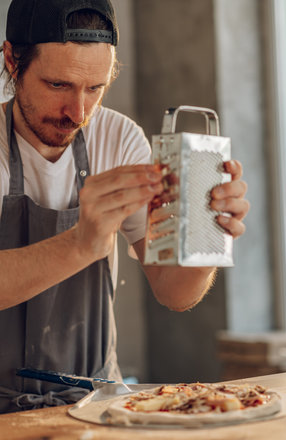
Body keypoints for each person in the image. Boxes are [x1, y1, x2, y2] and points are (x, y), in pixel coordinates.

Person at [0, 0, 249, 414]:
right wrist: (81, 244)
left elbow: (173, 292)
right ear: (12, 59)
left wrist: (207, 235)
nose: (78, 113)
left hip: (94, 403)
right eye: (58, 85)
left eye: (95, 88)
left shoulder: (118, 138)